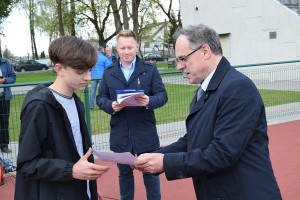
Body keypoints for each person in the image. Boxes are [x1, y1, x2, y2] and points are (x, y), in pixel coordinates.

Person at [134, 24, 282, 200]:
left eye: (183, 59)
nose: (180, 66)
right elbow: (193, 140)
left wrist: (166, 163)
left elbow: (222, 153)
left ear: (205, 51)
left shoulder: (237, 88)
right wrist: (157, 155)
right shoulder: (206, 88)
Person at [14, 36, 109, 200]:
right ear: (59, 69)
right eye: (80, 72)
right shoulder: (39, 106)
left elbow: (77, 153)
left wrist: (89, 190)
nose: (87, 77)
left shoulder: (75, 101)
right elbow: (26, 164)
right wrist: (70, 170)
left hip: (77, 189)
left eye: (90, 70)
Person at [97, 30, 168, 200]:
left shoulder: (150, 70)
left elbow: (162, 95)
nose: (127, 51)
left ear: (137, 46)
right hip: (121, 134)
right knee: (125, 175)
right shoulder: (109, 72)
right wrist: (111, 105)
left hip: (145, 132)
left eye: (130, 47)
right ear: (117, 48)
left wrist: (149, 101)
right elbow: (101, 98)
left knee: (151, 174)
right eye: (123, 48)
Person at [0, 57, 16, 153]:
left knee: (4, 122)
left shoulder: (5, 63)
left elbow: (13, 78)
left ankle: (4, 145)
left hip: (3, 97)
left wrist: (4, 80)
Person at [89, 45, 111, 110]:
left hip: (93, 77)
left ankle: (91, 106)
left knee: (92, 91)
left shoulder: (93, 58)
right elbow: (108, 68)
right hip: (101, 77)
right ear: (102, 51)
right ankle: (100, 105)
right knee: (100, 92)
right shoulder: (104, 58)